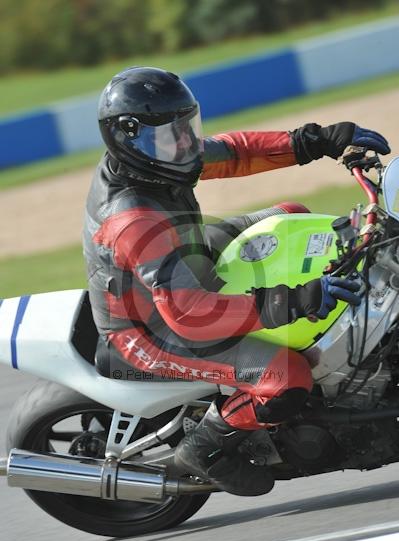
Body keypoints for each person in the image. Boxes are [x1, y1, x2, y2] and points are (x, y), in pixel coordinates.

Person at [84, 66, 390, 496]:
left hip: (187, 257)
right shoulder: (132, 216)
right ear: (128, 137)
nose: (188, 142)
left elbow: (236, 151)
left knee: (292, 216)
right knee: (287, 377)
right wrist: (294, 300)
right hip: (149, 327)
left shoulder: (160, 157)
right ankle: (207, 444)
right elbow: (190, 314)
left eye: (187, 126)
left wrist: (315, 140)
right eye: (173, 134)